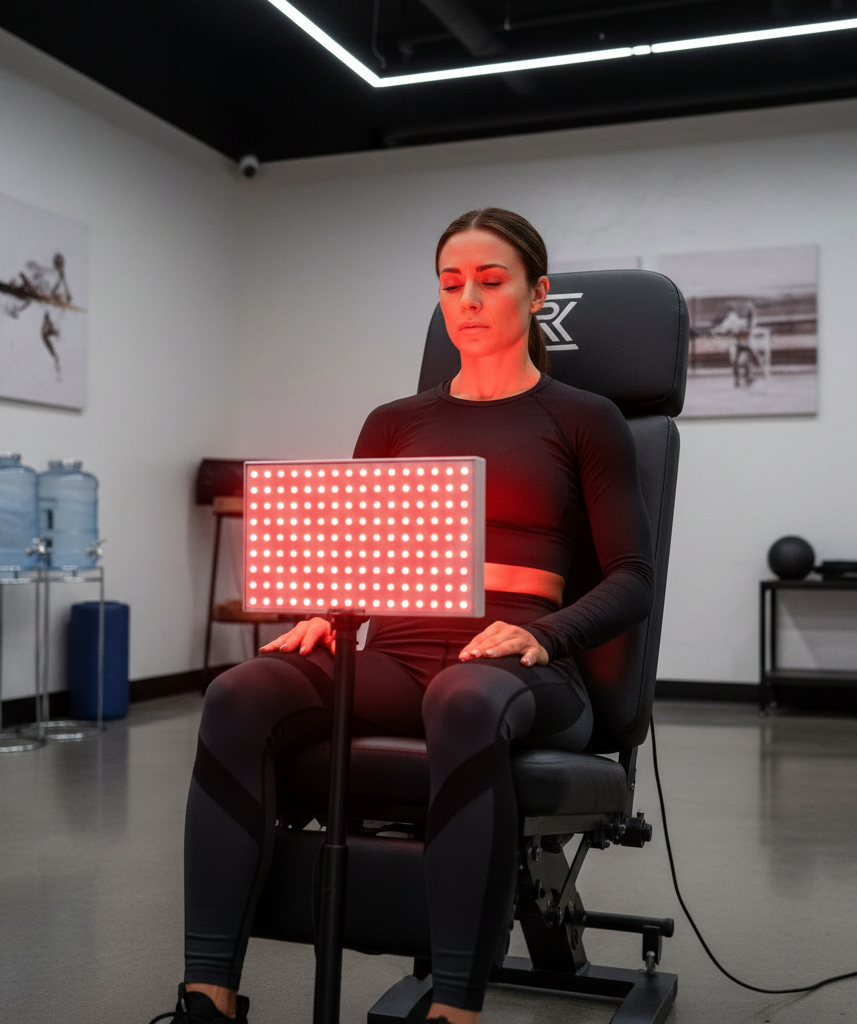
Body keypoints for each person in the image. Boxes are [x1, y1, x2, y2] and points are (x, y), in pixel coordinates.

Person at [154, 209, 655, 1024]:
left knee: (459, 695)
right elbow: (357, 559)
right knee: (238, 692)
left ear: (538, 296)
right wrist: (324, 612)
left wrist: (542, 632)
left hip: (526, 668)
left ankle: (454, 1010)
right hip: (397, 654)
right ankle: (206, 999)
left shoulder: (585, 419)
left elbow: (633, 578)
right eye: (451, 284)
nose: (468, 299)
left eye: (491, 281)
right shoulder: (395, 422)